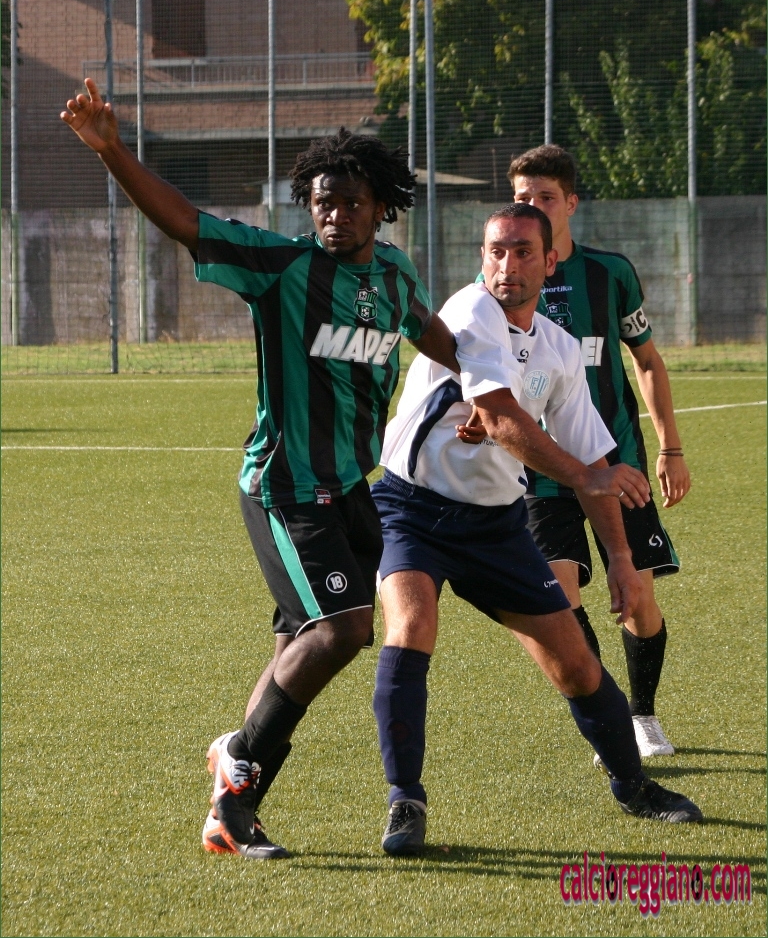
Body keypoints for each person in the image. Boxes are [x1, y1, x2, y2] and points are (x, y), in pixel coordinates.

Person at [61, 78, 462, 860]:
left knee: (297, 645)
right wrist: (113, 151)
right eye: (321, 202)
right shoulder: (281, 266)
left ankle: (229, 805)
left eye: (350, 202)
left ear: (381, 207)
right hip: (286, 488)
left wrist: (482, 386)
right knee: (343, 628)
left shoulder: (394, 275)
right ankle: (239, 765)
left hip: (352, 488)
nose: (334, 215)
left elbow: (433, 334)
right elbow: (187, 221)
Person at [371, 203, 702, 856]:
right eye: (496, 250)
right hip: (413, 509)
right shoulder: (470, 310)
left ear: (551, 262)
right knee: (411, 626)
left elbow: (595, 459)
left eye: (523, 251)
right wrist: (584, 475)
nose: (507, 264)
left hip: (497, 526)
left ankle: (633, 785)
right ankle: (405, 800)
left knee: (575, 663)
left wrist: (619, 558)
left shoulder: (557, 348)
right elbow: (499, 418)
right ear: (482, 257)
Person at [508, 144, 691, 758]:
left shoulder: (609, 273)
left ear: (571, 203)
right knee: (559, 605)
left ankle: (643, 715)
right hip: (542, 472)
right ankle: (611, 715)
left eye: (546, 196)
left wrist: (670, 448)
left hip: (617, 465)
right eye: (523, 197)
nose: (533, 206)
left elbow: (647, 360)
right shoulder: (502, 281)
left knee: (638, 599)